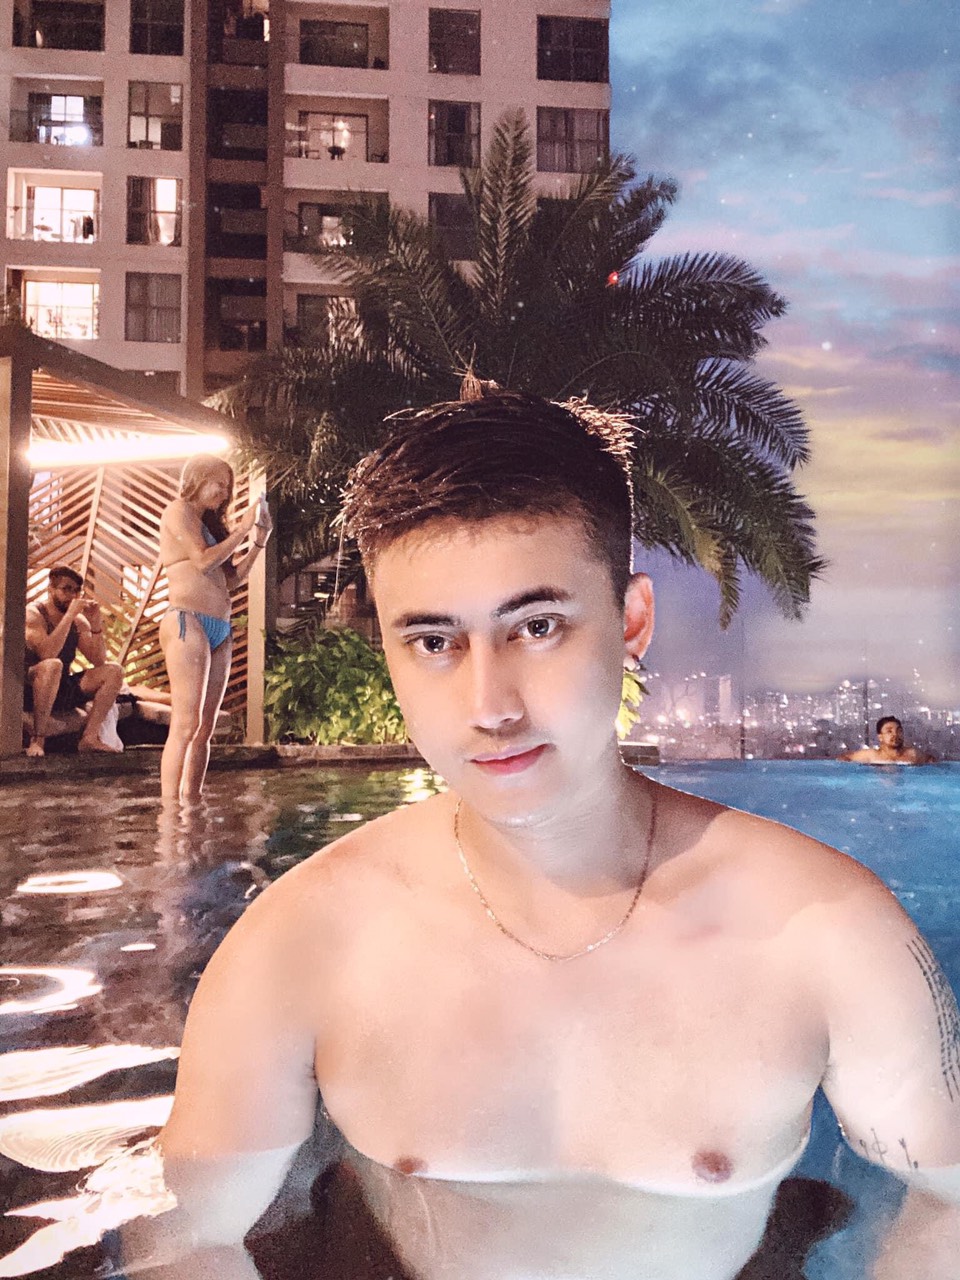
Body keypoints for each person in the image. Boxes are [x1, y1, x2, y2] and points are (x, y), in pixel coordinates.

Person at [135, 389, 960, 1279]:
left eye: (537, 627)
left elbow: (948, 1201)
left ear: (632, 621)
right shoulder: (302, 940)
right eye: (434, 642)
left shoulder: (828, 931)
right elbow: (187, 1238)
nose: (490, 707)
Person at [158, 455, 271, 803]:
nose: (225, 493)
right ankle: (169, 809)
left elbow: (231, 579)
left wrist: (259, 540)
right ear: (196, 479)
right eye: (219, 484)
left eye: (228, 487)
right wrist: (242, 528)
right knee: (186, 724)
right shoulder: (178, 510)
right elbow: (203, 560)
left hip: (219, 628)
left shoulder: (209, 525)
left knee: (205, 728)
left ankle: (191, 804)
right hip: (187, 621)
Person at [24, 565, 124, 757]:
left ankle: (89, 737)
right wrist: (69, 615)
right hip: (30, 687)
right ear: (51, 589)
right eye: (66, 589)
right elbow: (47, 653)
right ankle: (37, 740)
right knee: (53, 665)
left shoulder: (78, 622)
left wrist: (95, 624)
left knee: (114, 671)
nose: (72, 595)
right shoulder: (34, 614)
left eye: (76, 590)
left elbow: (98, 660)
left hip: (61, 687)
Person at [839, 715, 936, 765]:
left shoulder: (912, 755)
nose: (895, 734)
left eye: (899, 731)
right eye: (889, 731)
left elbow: (931, 760)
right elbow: (843, 758)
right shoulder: (871, 755)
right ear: (880, 737)